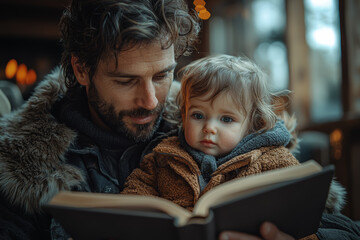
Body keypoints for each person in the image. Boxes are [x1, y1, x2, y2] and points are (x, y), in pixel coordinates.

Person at [0, 0, 358, 240]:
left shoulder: (231, 129)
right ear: (81, 69)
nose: (151, 99)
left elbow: (346, 229)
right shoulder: (24, 168)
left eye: (162, 75)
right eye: (126, 81)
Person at [122, 55, 301, 211]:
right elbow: (135, 195)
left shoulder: (274, 161)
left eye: (226, 119)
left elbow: (301, 209)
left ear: (252, 124)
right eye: (198, 115)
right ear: (183, 116)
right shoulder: (163, 157)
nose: (209, 128)